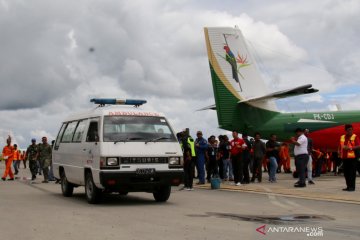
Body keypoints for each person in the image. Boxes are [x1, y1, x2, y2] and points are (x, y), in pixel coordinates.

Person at [339, 124, 359, 191]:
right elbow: (341, 146)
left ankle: (352, 187)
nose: (350, 131)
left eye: (351, 129)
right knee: (346, 173)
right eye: (349, 130)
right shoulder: (342, 137)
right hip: (344, 158)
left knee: (352, 173)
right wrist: (341, 150)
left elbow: (359, 146)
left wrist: (350, 148)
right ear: (346, 131)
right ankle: (348, 186)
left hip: (352, 158)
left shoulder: (355, 136)